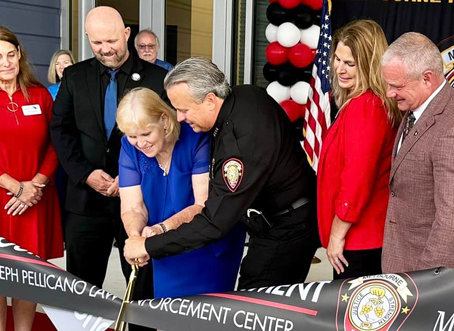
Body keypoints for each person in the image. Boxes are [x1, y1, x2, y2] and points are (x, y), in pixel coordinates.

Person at [124, 57, 319, 289]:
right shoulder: (246, 95)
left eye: (184, 110)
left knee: (258, 304)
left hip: (288, 226)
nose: (180, 118)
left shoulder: (239, 142)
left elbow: (214, 222)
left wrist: (149, 246)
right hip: (276, 218)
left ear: (209, 100)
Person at [50, 6, 167, 331]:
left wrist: (129, 179)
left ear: (126, 34)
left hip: (142, 201)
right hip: (85, 200)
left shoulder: (158, 79)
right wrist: (85, 173)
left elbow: (166, 136)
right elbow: (60, 130)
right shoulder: (74, 76)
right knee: (81, 288)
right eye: (97, 42)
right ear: (89, 39)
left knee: (142, 286)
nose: (105, 49)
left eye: (112, 40)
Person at [0, 25, 63, 331]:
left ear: (19, 55)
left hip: (37, 198)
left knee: (28, 276)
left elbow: (56, 145)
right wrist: (17, 187)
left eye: (11, 54)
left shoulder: (41, 95)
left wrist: (35, 185)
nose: (6, 63)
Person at [117, 87, 245, 298]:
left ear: (165, 121)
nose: (140, 143)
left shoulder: (196, 138)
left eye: (146, 133)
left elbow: (202, 204)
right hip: (163, 248)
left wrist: (160, 230)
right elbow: (133, 206)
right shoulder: (128, 147)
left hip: (206, 245)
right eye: (132, 136)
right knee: (166, 315)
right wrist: (135, 238)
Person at [317, 20, 401, 279]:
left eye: (350, 64)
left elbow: (356, 180)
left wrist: (336, 235)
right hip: (362, 237)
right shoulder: (366, 103)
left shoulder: (366, 107)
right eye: (338, 60)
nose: (340, 69)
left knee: (350, 319)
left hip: (359, 239)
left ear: (368, 65)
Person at [381, 32, 454, 274]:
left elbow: (451, 220)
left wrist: (426, 284)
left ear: (427, 78)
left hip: (421, 277)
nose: (389, 93)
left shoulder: (452, 126)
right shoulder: (417, 105)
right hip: (401, 262)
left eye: (397, 86)